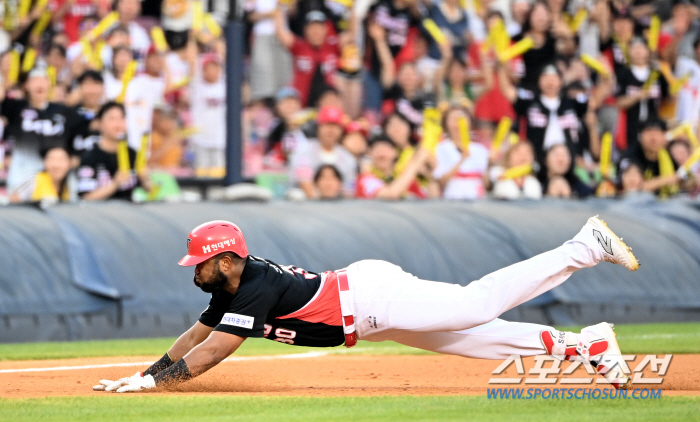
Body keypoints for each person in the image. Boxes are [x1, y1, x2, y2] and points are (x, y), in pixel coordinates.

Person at [93, 217, 639, 393]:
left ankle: (584, 246)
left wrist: (155, 387)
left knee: (476, 305)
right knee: (469, 341)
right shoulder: (230, 287)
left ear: (228, 259)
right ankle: (584, 346)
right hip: (365, 312)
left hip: (372, 300)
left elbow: (212, 354)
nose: (197, 271)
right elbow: (194, 338)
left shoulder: (252, 284)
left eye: (202, 263)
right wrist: (146, 374)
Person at [77, 102, 151, 201]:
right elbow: (86, 198)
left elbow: (149, 191)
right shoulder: (90, 157)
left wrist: (145, 179)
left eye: (122, 118)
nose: (118, 123)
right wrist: (115, 184)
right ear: (100, 123)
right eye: (112, 119)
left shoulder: (132, 154)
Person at [10, 146, 77, 203]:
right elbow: (13, 203)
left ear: (70, 163)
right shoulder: (34, 180)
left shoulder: (71, 184)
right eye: (51, 159)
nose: (56, 165)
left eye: (61, 160)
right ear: (44, 162)